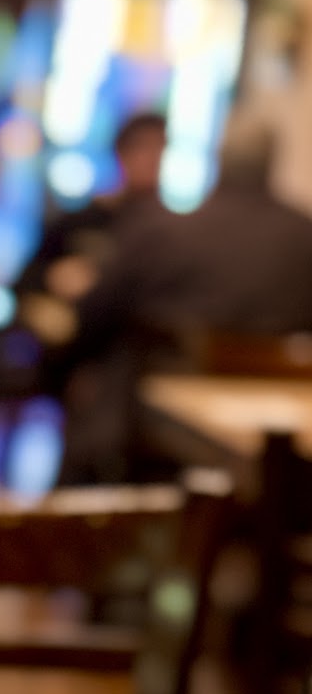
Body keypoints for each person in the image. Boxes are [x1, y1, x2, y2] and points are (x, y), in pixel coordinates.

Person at [55, 109, 312, 481]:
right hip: (283, 435)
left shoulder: (163, 231)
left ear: (219, 159)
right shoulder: (304, 237)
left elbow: (93, 318)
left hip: (159, 434)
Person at [18, 111, 167, 355]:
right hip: (78, 350)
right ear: (121, 153)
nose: (153, 159)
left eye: (161, 149)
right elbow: (24, 281)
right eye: (144, 148)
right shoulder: (82, 219)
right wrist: (53, 277)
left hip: (137, 350)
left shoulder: (170, 231)